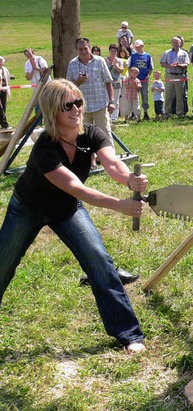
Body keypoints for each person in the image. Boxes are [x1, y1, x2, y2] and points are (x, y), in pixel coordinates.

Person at [0, 79, 147, 354]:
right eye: (67, 104)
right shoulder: (45, 148)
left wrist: (130, 180)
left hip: (67, 209)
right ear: (52, 110)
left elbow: (113, 163)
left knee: (99, 262)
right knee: (2, 265)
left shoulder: (91, 133)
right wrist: (119, 205)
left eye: (78, 102)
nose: (76, 109)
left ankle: (129, 334)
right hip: (28, 208)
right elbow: (77, 188)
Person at [66, 37, 115, 147]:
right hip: (82, 107)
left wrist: (111, 101)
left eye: (85, 48)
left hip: (100, 105)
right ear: (76, 50)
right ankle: (89, 160)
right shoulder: (72, 64)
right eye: (80, 49)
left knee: (105, 133)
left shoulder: (100, 61)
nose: (83, 51)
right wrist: (78, 81)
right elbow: (68, 87)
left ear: (90, 48)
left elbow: (108, 81)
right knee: (83, 136)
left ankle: (110, 159)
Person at [160, 37, 190, 118]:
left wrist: (179, 65)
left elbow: (187, 64)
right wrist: (170, 66)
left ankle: (180, 113)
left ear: (180, 43)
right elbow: (162, 63)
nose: (176, 44)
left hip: (180, 75)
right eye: (174, 42)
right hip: (169, 75)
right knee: (168, 95)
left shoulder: (184, 53)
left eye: (177, 42)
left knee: (180, 95)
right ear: (171, 43)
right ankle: (167, 113)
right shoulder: (167, 53)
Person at [128, 40, 154, 120]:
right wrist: (131, 77)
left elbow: (151, 68)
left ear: (142, 46)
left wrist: (148, 75)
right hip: (135, 80)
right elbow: (129, 67)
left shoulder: (147, 56)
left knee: (144, 96)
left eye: (138, 47)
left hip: (144, 80)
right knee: (134, 96)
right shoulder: (133, 56)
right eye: (136, 47)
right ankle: (133, 113)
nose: (137, 48)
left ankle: (145, 112)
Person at [105, 44, 124, 121]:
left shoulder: (119, 60)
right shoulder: (105, 60)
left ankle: (114, 117)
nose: (113, 52)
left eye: (115, 51)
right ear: (109, 51)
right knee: (106, 100)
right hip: (107, 84)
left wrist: (115, 65)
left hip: (116, 84)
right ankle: (107, 116)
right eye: (112, 51)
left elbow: (121, 70)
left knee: (115, 100)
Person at [0, 57, 12, 129]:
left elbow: (8, 77)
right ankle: (4, 124)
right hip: (0, 87)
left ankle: (3, 123)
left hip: (4, 89)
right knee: (0, 108)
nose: (0, 63)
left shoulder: (5, 69)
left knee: (3, 107)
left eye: (1, 61)